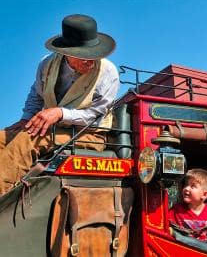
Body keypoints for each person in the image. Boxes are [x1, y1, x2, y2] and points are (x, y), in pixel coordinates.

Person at [0, 14, 119, 195]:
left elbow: (95, 114)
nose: (90, 61)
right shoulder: (46, 64)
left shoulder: (108, 73)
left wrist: (61, 113)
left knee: (27, 140)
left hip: (89, 133)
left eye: (94, 55)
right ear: (66, 53)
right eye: (84, 56)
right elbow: (36, 95)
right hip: (54, 128)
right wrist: (26, 119)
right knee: (2, 137)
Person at [169, 168, 207, 242]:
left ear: (204, 194)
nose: (186, 188)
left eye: (193, 186)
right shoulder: (176, 210)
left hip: (205, 249)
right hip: (183, 247)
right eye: (186, 184)